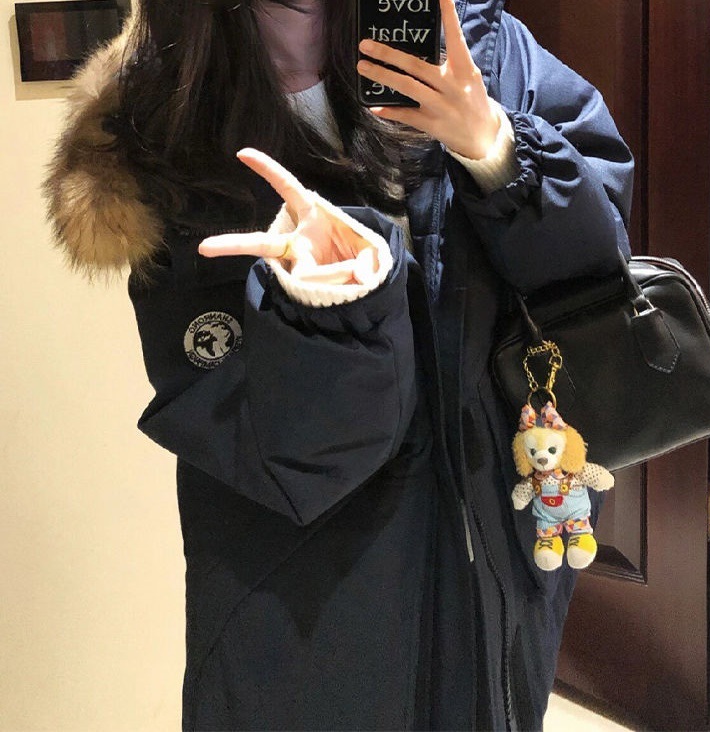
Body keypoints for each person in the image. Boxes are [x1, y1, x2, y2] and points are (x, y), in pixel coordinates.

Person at [44, 0, 633, 729]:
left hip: (491, 562)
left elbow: (592, 274)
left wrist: (495, 149)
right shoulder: (163, 112)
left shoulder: (474, 43)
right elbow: (279, 449)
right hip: (304, 602)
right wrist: (331, 310)